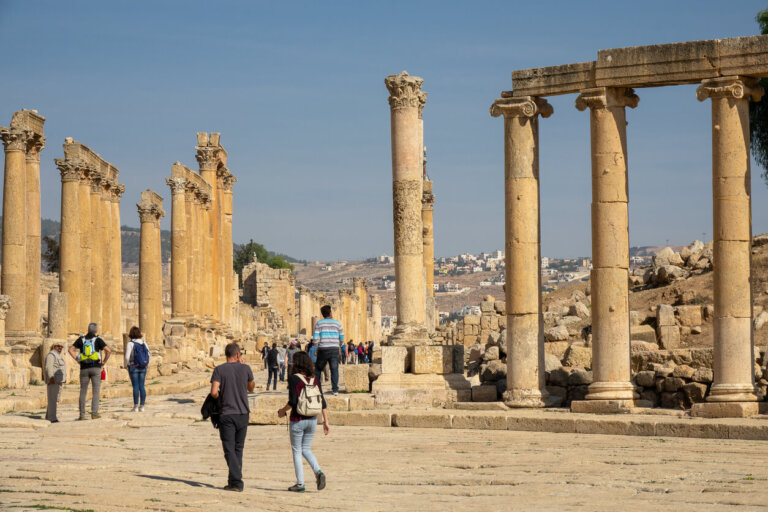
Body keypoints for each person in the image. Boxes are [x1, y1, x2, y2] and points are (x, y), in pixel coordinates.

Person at [277, 351, 329, 492]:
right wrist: (326, 421)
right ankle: (318, 471)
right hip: (312, 419)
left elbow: (293, 401)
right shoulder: (315, 378)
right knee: (306, 449)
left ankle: (300, 483)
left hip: (298, 419)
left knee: (296, 450)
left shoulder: (294, 379)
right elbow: (322, 401)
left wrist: (282, 411)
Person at [211, 343, 255, 492]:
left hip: (227, 413)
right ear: (237, 355)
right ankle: (233, 481)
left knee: (229, 449)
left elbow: (214, 392)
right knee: (238, 449)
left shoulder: (219, 369)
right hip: (243, 413)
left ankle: (236, 481)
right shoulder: (246, 368)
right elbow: (251, 387)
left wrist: (219, 397)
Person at [68, 323, 111, 420]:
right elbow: (108, 351)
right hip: (96, 368)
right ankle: (94, 413)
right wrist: (103, 362)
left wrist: (77, 360)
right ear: (96, 331)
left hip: (83, 368)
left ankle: (82, 415)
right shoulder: (98, 339)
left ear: (87, 329)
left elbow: (70, 349)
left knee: (83, 391)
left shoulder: (81, 339)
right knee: (96, 391)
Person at [313, 305, 344, 395]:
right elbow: (341, 337)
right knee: (334, 369)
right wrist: (339, 344)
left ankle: (317, 388)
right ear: (330, 313)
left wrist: (317, 345)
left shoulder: (319, 323)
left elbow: (315, 338)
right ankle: (335, 390)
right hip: (334, 348)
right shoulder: (337, 323)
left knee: (318, 369)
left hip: (323, 348)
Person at [124, 326, 150, 412]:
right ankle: (142, 406)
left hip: (133, 366)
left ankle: (135, 407)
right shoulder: (144, 343)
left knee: (135, 386)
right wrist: (146, 363)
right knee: (142, 386)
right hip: (143, 367)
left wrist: (125, 365)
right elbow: (149, 354)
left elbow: (127, 357)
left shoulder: (130, 343)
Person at [44, 341, 66, 423]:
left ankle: (48, 416)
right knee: (53, 399)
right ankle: (52, 418)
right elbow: (48, 367)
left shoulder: (57, 356)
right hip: (53, 380)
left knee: (54, 399)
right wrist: (51, 377)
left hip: (58, 381)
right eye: (58, 346)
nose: (60, 348)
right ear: (53, 347)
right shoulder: (51, 355)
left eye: (61, 346)